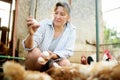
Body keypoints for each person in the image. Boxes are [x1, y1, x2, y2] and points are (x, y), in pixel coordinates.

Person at [22, 2, 76, 71]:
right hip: (39, 60)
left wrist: (52, 55)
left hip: (56, 60)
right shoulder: (44, 24)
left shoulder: (71, 30)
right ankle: (34, 76)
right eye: (56, 13)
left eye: (62, 14)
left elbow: (68, 51)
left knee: (66, 63)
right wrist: (31, 35)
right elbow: (29, 48)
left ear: (68, 18)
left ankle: (52, 72)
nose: (57, 17)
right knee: (34, 53)